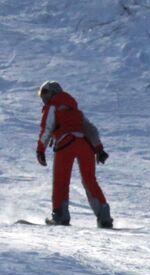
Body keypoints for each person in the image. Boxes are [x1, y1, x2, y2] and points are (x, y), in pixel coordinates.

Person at [36, 80, 113, 229]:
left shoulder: (52, 106)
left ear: (53, 93)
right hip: (85, 143)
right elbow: (91, 129)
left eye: (44, 93)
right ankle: (104, 217)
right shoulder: (74, 108)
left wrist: (40, 150)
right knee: (90, 180)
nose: (43, 97)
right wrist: (99, 149)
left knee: (61, 180)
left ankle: (60, 216)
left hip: (66, 143)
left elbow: (47, 129)